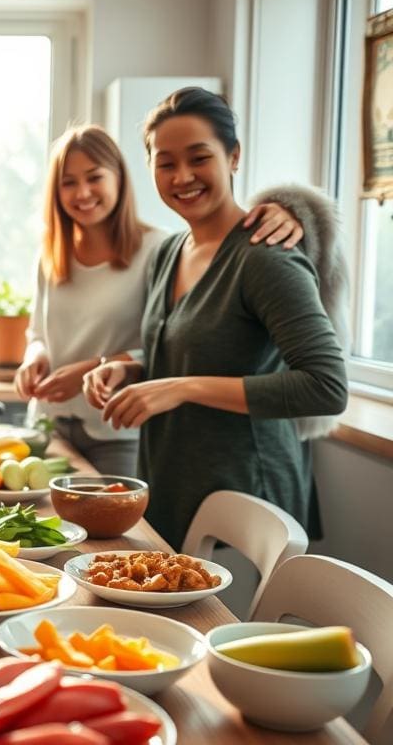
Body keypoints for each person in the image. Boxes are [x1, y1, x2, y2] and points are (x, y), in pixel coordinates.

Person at [82, 87, 348, 549]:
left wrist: (181, 387)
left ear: (234, 156)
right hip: (175, 482)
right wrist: (132, 366)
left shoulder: (267, 258)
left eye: (198, 157)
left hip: (249, 498)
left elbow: (326, 386)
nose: (182, 176)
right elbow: (198, 342)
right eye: (166, 163)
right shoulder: (170, 250)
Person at [15, 124, 305, 476]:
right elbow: (38, 334)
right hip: (48, 424)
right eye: (69, 182)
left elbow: (163, 348)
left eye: (94, 178)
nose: (83, 192)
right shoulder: (50, 254)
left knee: (116, 529)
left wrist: (91, 368)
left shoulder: (159, 249)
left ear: (120, 179)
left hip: (118, 428)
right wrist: (35, 358)